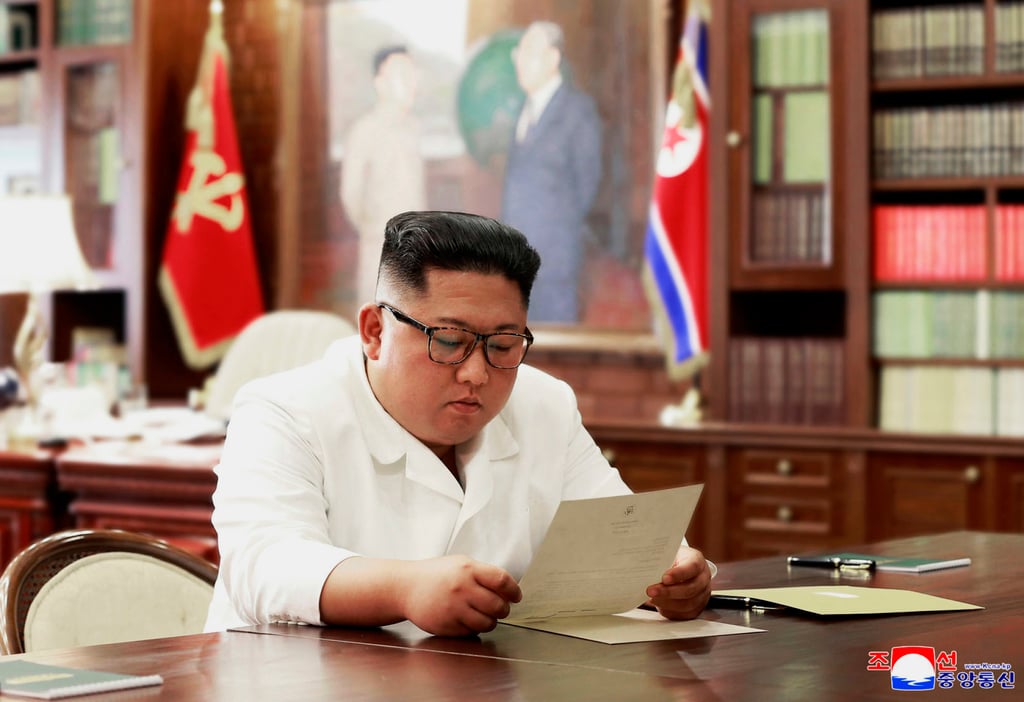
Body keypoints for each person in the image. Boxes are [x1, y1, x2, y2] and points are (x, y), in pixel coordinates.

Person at [204, 210, 712, 637]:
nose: (476, 373)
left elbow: (621, 533)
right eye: (448, 341)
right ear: (375, 331)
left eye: (504, 345)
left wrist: (673, 572)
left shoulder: (544, 404)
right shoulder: (282, 410)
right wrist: (405, 588)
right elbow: (265, 565)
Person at [501, 21, 602, 323]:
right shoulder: (523, 109)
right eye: (518, 52)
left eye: (528, 52)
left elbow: (588, 186)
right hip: (518, 262)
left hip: (555, 265)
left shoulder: (578, 111)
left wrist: (556, 233)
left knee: (555, 355)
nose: (519, 59)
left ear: (553, 58)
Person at [341, 45, 427, 308]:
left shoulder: (414, 127)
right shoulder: (365, 131)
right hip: (382, 252)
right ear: (380, 83)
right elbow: (350, 197)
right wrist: (375, 231)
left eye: (412, 74)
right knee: (378, 329)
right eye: (401, 74)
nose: (411, 82)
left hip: (417, 250)